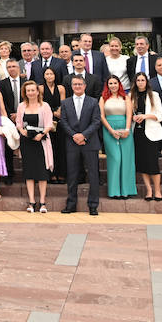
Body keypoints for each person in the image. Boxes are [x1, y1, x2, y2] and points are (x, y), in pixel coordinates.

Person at [59, 74, 101, 216]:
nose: (77, 86)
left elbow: (96, 121)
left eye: (80, 84)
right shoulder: (65, 103)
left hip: (90, 142)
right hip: (72, 143)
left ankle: (93, 205)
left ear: (84, 86)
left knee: (93, 175)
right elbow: (63, 122)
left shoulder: (93, 101)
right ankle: (71, 204)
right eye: (75, 84)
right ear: (71, 86)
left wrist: (83, 135)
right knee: (72, 175)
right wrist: (74, 135)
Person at [14, 79, 55, 213]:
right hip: (27, 142)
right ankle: (31, 202)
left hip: (40, 142)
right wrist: (22, 132)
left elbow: (49, 124)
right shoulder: (21, 106)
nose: (31, 93)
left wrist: (41, 134)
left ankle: (42, 202)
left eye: (33, 90)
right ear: (25, 93)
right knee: (29, 172)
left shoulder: (45, 106)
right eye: (28, 91)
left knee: (42, 173)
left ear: (38, 92)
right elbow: (18, 123)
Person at [99, 75, 136, 199]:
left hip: (125, 129)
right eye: (110, 83)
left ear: (119, 84)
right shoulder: (103, 98)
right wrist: (111, 131)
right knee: (115, 158)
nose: (113, 85)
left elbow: (129, 114)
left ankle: (126, 190)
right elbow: (101, 116)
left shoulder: (126, 97)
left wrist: (127, 129)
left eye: (115, 83)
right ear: (107, 85)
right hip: (109, 129)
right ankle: (114, 191)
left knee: (126, 159)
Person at [130, 72, 162, 201]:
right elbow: (128, 114)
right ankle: (149, 190)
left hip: (151, 133)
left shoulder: (154, 95)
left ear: (146, 82)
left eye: (142, 80)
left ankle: (157, 190)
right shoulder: (131, 96)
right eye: (138, 80)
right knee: (142, 163)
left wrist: (145, 116)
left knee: (153, 163)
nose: (140, 82)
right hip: (137, 133)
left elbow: (160, 115)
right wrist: (133, 118)